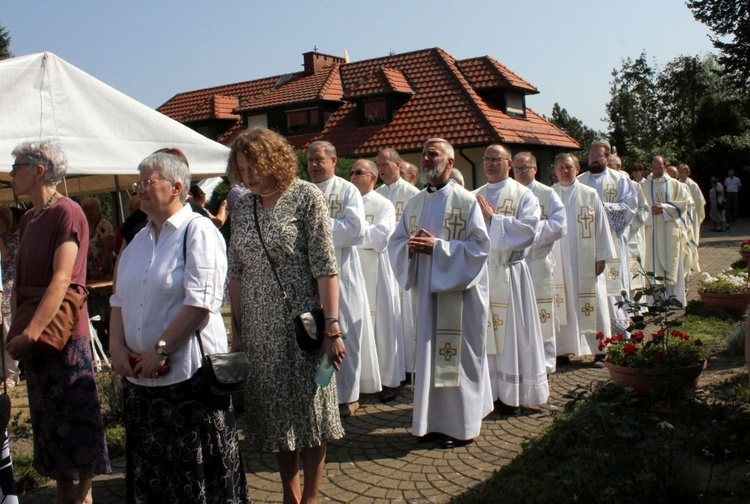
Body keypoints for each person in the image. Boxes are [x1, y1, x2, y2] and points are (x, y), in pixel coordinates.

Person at [109, 152, 248, 503]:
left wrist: (160, 350)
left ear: (176, 187)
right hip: (142, 384)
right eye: (137, 182)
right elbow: (118, 300)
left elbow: (201, 304)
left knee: (195, 482)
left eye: (147, 181)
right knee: (155, 482)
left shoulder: (198, 231)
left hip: (188, 383)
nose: (139, 188)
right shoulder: (138, 241)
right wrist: (116, 348)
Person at [228, 128, 345, 503]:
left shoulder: (305, 197)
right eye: (242, 169)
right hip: (259, 327)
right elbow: (236, 269)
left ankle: (309, 498)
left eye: (254, 167)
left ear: (274, 160)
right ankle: (289, 496)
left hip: (301, 323)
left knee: (309, 415)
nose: (248, 177)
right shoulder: (243, 205)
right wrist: (238, 328)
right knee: (277, 415)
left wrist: (332, 326)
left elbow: (326, 266)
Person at [6, 138, 110, 504]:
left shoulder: (68, 212)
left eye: (17, 165)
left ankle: (81, 499)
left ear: (38, 171)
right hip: (35, 340)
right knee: (51, 431)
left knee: (77, 433)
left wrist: (32, 332)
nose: (11, 172)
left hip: (62, 338)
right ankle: (66, 497)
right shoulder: (30, 219)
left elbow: (62, 278)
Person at [389, 138, 493, 449]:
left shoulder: (467, 201)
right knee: (430, 358)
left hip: (459, 297)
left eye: (432, 155)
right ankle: (431, 424)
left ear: (449, 163)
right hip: (426, 293)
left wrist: (440, 248)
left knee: (458, 359)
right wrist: (407, 248)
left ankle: (462, 428)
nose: (425, 160)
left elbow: (480, 248)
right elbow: (395, 242)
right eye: (423, 154)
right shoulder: (415, 203)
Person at [473, 145, 547, 414]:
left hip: (510, 273)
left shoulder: (523, 195)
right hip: (482, 276)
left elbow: (530, 231)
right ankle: (489, 394)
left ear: (508, 164)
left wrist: (495, 220)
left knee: (513, 337)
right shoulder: (473, 195)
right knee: (484, 337)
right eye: (487, 159)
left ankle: (512, 395)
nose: (491, 164)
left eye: (497, 159)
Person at [307, 140, 379, 417]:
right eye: (311, 160)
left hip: (342, 273)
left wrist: (317, 226)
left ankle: (347, 397)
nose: (313, 165)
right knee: (315, 332)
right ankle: (319, 392)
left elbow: (355, 231)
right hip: (311, 275)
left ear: (333, 161)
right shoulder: (304, 190)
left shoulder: (347, 190)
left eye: (319, 160)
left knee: (344, 331)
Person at [350, 159, 405, 403]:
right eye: (351, 172)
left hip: (377, 272)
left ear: (372, 177)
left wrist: (351, 234)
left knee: (382, 328)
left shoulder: (384, 205)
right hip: (351, 270)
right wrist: (354, 233)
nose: (352, 176)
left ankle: (388, 379)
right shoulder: (345, 202)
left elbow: (381, 237)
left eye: (358, 172)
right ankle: (358, 381)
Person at [552, 153, 615, 363]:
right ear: (555, 171)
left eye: (569, 167)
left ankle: (600, 349)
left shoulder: (590, 194)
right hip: (559, 260)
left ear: (577, 169)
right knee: (563, 304)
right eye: (560, 167)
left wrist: (601, 256)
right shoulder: (550, 195)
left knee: (594, 302)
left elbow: (601, 226)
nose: (565, 171)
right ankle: (563, 349)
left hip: (586, 260)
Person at [577, 140, 637, 363]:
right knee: (593, 294)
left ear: (607, 158)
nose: (593, 159)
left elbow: (630, 208)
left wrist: (602, 209)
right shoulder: (579, 180)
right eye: (590, 155)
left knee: (614, 290)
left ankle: (620, 339)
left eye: (598, 156)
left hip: (612, 244)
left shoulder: (621, 179)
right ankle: (595, 344)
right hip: (585, 246)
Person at [512, 152, 567, 374]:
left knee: (541, 312)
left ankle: (544, 363)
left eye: (525, 168)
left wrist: (528, 233)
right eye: (517, 168)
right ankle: (519, 360)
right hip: (513, 264)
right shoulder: (510, 193)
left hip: (538, 263)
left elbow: (560, 225)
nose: (521, 172)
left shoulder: (548, 194)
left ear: (535, 169)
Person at [375, 148, 420, 375]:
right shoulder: (377, 194)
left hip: (406, 260)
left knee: (407, 315)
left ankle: (411, 366)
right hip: (383, 263)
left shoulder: (413, 194)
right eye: (379, 165)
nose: (381, 169)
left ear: (397, 164)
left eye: (385, 165)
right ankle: (392, 366)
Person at [641, 156, 694, 308]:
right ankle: (653, 300)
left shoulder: (675, 184)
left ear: (665, 166)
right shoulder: (644, 185)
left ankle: (673, 299)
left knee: (671, 263)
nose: (657, 171)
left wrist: (664, 208)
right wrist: (649, 211)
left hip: (669, 230)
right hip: (650, 231)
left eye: (660, 168)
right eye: (654, 168)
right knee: (651, 264)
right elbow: (639, 206)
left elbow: (685, 203)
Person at [0, 207, 20, 388]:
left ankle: (11, 374)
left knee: (8, 332)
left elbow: (6, 257)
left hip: (7, 292)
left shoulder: (14, 241)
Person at [81, 196, 115, 279]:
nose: (89, 212)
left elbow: (109, 248)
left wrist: (100, 268)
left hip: (102, 270)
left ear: (98, 210)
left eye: (92, 209)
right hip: (85, 270)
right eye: (86, 209)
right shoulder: (82, 226)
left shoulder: (104, 225)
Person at [678, 164, 706, 247]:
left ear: (687, 173)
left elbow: (699, 201)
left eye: (683, 171)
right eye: (679, 171)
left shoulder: (693, 185)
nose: (681, 173)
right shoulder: (676, 183)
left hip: (691, 212)